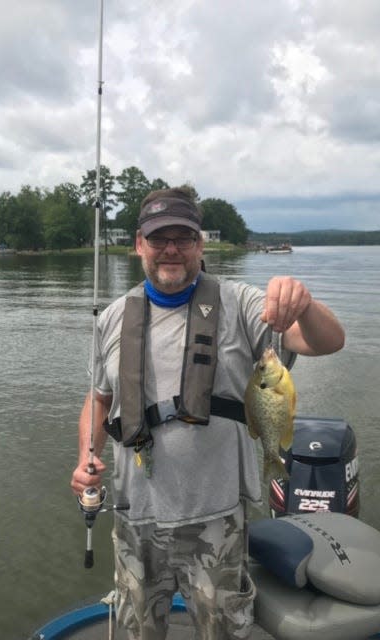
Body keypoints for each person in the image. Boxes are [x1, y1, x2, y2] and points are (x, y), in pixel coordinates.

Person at [71, 187, 345, 639]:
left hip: (215, 518)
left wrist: (305, 304)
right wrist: (85, 458)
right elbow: (99, 399)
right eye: (160, 239)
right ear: (139, 244)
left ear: (200, 244)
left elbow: (326, 341)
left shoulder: (241, 304)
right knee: (138, 631)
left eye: (184, 237)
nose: (171, 249)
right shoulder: (113, 318)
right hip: (134, 516)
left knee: (223, 631)